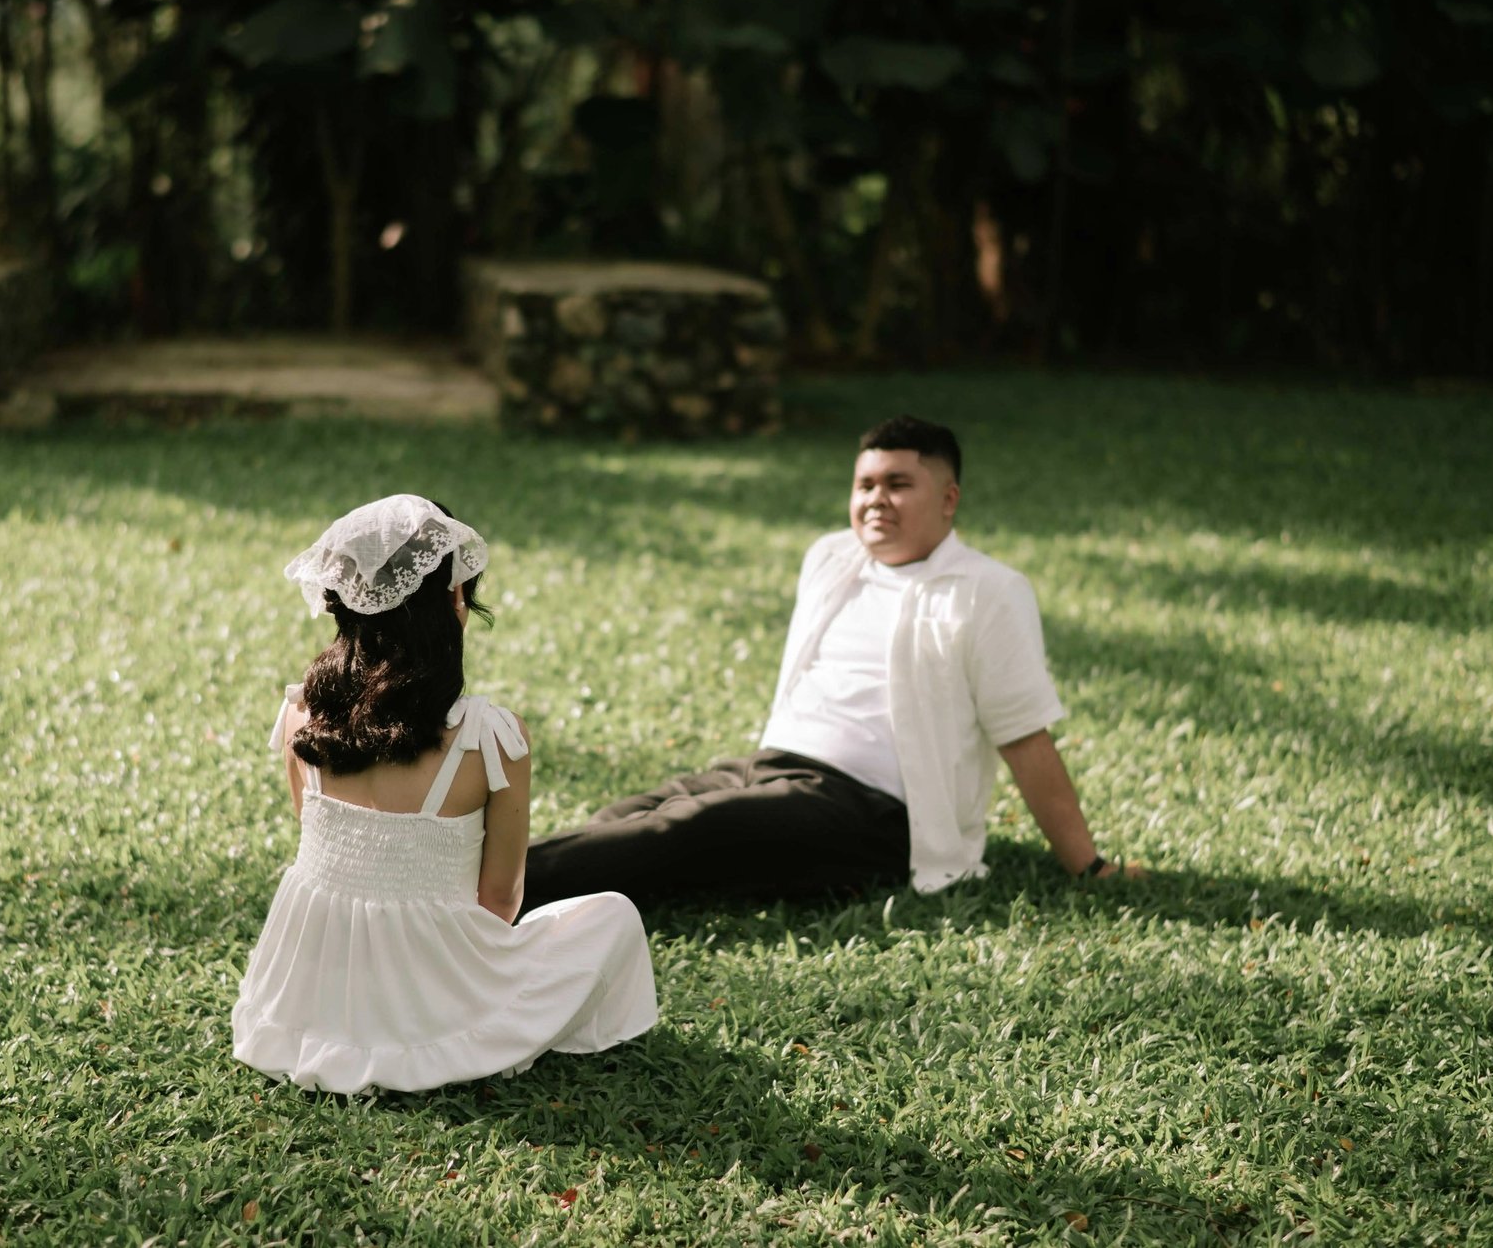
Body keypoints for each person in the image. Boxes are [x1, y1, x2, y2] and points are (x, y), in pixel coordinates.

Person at [522, 415, 1137, 911]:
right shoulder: (831, 558)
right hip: (771, 766)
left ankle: (490, 895)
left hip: (871, 811)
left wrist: (1089, 865)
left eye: (898, 484)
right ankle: (516, 880)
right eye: (865, 485)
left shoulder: (988, 591)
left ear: (949, 499)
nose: (876, 500)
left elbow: (1024, 736)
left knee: (688, 829)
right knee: (633, 813)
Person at [233, 495, 657, 1093]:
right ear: (454, 599)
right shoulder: (490, 737)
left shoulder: (302, 713)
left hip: (303, 1003)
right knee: (611, 916)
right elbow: (499, 899)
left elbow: (313, 838)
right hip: (433, 1008)